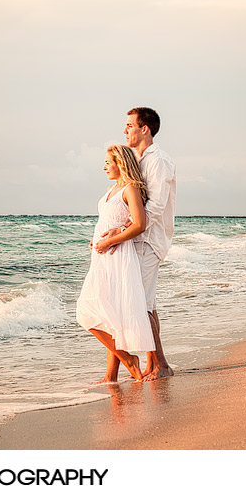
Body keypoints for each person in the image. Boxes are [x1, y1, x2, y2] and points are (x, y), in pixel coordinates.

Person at [101, 107, 176, 382]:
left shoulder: (159, 161)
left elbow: (154, 207)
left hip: (148, 240)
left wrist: (123, 228)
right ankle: (155, 363)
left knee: (141, 304)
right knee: (146, 303)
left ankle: (159, 365)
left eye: (130, 125)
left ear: (145, 128)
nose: (125, 130)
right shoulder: (136, 158)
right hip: (135, 239)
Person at [76, 144, 155, 382]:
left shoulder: (129, 189)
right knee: (109, 313)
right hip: (102, 256)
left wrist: (111, 241)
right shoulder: (112, 189)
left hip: (117, 255)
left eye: (108, 163)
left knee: (86, 312)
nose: (104, 167)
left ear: (120, 163)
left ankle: (129, 359)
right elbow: (108, 222)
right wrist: (97, 240)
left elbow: (139, 224)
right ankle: (111, 374)